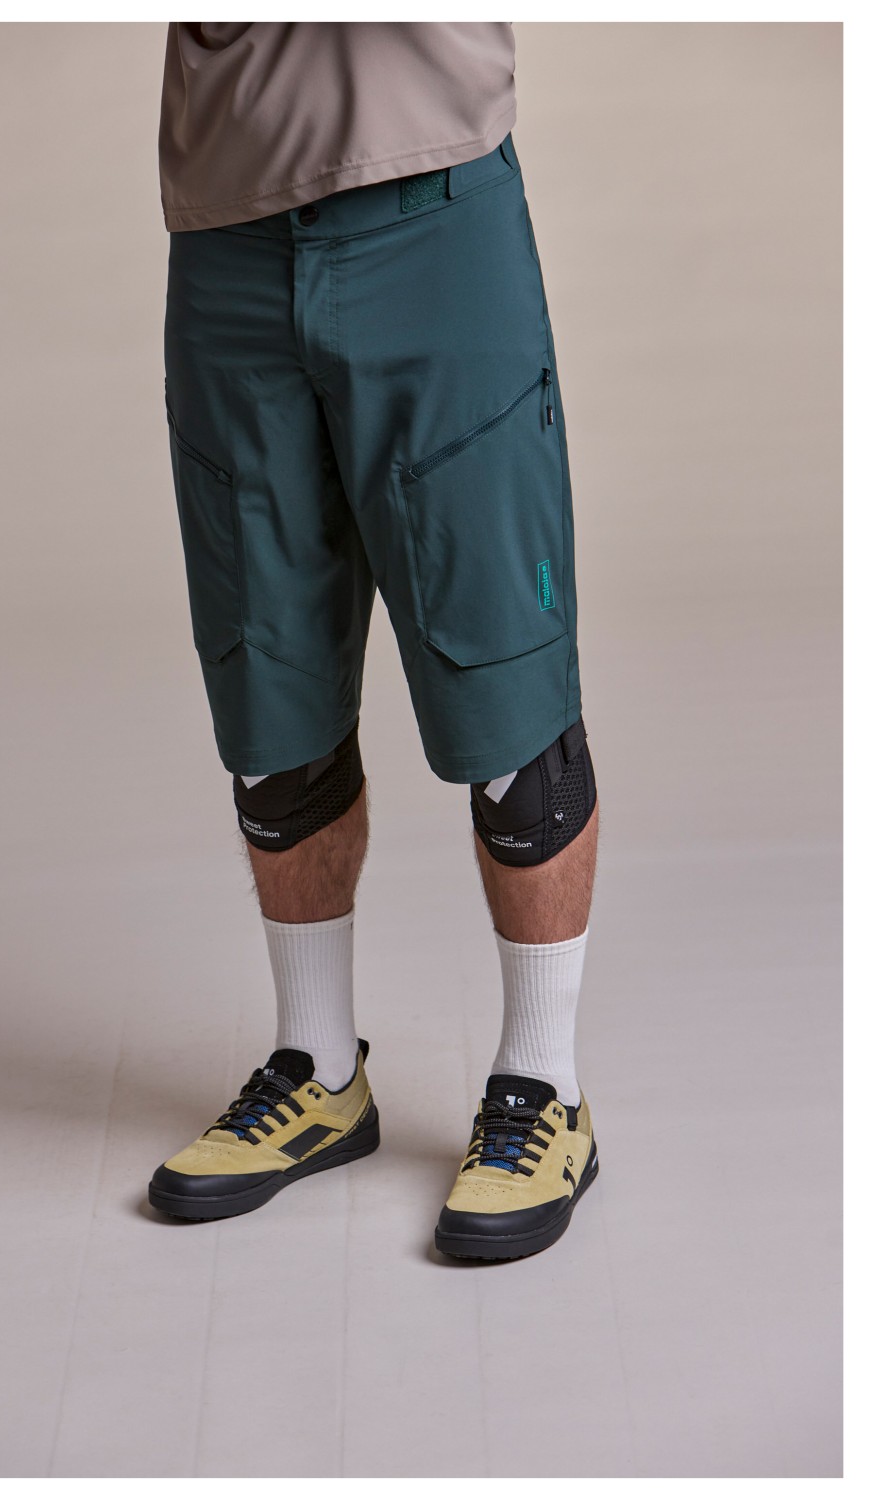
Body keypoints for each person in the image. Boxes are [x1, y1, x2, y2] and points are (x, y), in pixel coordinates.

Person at [146, 22, 601, 1261]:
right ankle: (317, 1070)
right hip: (227, 229)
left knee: (507, 706)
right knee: (270, 701)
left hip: (430, 209)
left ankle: (545, 1085)